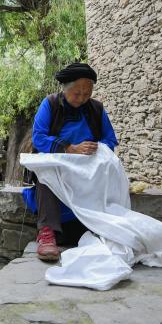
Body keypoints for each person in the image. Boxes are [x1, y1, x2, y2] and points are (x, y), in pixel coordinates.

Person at [25, 62, 118, 262]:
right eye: (77, 93)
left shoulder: (96, 109)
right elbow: (38, 138)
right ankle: (47, 232)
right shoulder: (50, 104)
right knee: (46, 174)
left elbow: (110, 140)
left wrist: (96, 149)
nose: (82, 98)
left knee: (109, 170)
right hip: (58, 163)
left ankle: (100, 226)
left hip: (87, 165)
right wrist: (69, 148)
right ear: (65, 89)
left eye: (87, 94)